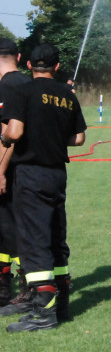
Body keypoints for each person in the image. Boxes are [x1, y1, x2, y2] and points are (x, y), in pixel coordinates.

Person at [0, 44, 87, 331]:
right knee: (55, 237)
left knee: (33, 241)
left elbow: (14, 132)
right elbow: (78, 140)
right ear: (57, 66)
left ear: (29, 66)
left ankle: (43, 312)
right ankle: (61, 304)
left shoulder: (22, 91)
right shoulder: (67, 94)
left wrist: (4, 135)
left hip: (30, 174)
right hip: (56, 174)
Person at [0, 38, 29, 308]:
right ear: (18, 56)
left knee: (9, 229)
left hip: (11, 169)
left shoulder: (7, 86)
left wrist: (0, 171)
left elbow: (8, 135)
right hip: (26, 170)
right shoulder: (27, 83)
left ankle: (16, 289)